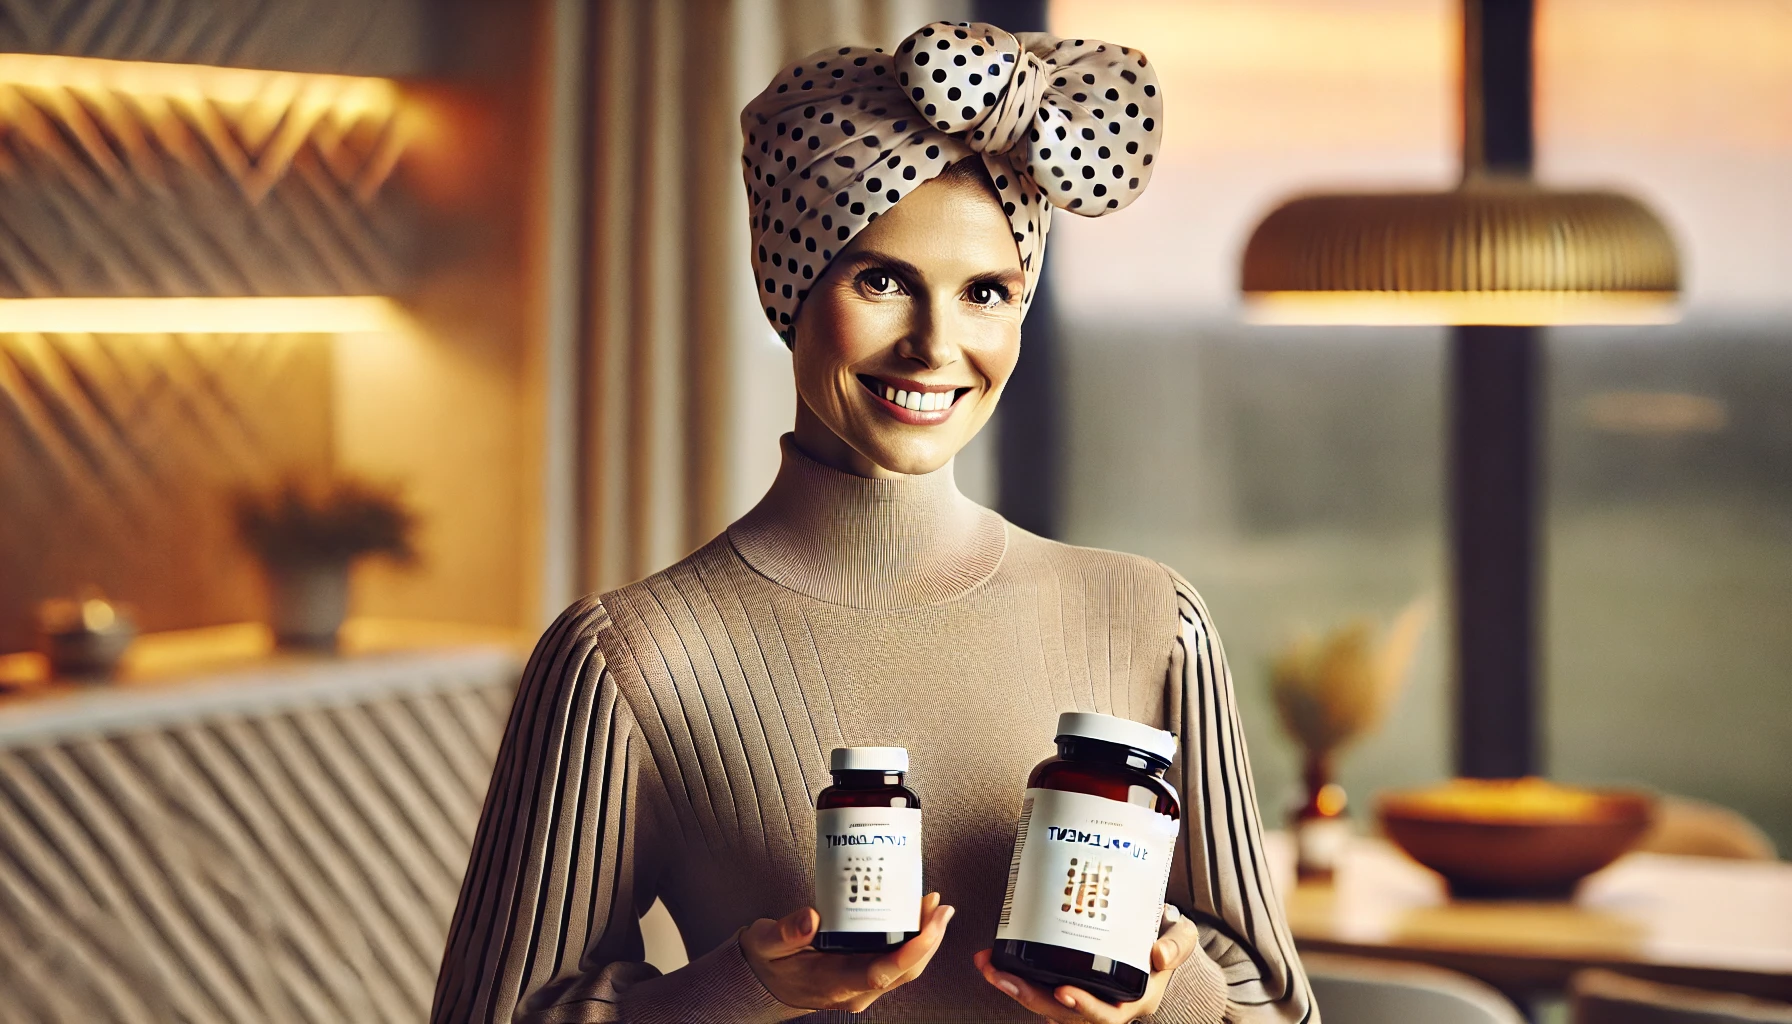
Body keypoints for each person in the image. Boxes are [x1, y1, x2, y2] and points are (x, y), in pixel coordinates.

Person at [433, 20, 1315, 1024]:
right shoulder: (628, 659)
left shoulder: (1151, 621)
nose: (936, 344)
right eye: (882, 279)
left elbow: (1276, 1008)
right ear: (789, 288)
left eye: (987, 291)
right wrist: (751, 986)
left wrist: (1166, 995)